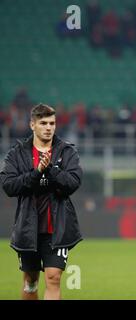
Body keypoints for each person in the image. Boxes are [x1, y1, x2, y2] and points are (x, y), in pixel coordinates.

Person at [0, 103, 83, 300]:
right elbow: (9, 186)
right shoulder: (17, 153)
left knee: (53, 278)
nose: (49, 127)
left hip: (58, 228)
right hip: (28, 228)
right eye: (43, 123)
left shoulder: (66, 152)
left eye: (52, 123)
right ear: (32, 125)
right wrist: (36, 172)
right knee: (30, 281)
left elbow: (73, 183)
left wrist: (51, 170)